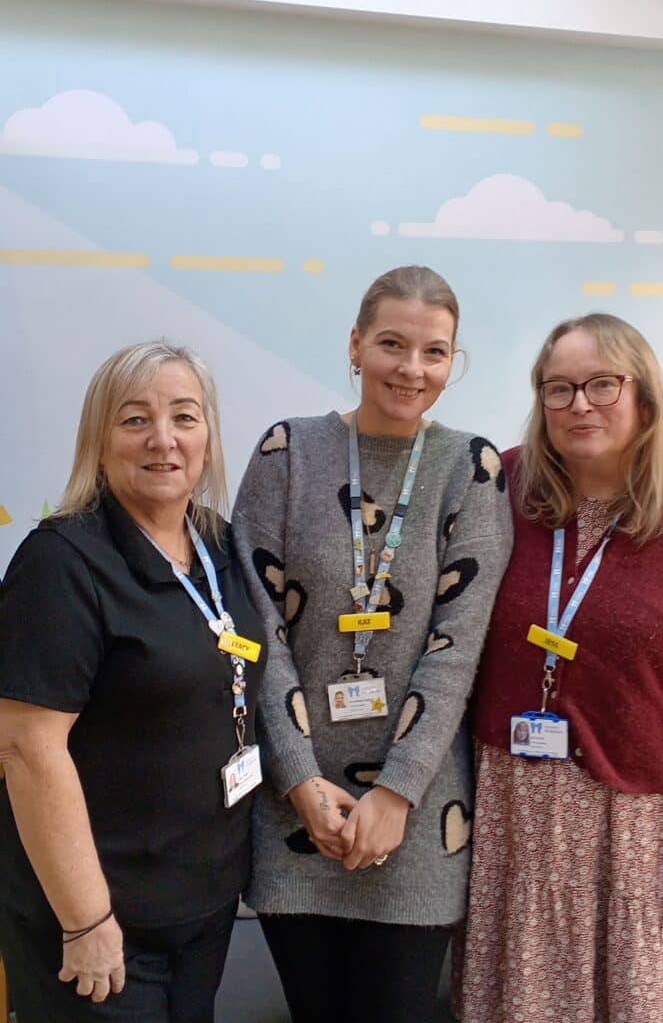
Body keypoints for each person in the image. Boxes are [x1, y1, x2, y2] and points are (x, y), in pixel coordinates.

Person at [457, 313, 663, 1023]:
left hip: (644, 821)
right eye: (558, 389)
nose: (580, 405)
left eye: (602, 384)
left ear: (644, 395)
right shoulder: (502, 487)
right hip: (517, 813)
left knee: (640, 1000)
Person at [232, 265, 513, 1023]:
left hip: (417, 816)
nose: (411, 369)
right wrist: (297, 781)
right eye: (392, 344)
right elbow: (256, 632)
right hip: (301, 813)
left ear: (453, 362)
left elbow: (457, 648)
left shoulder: (471, 468)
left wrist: (394, 792)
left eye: (434, 352)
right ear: (355, 345)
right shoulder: (287, 454)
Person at [0, 342, 266, 1022]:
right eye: (135, 419)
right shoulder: (60, 562)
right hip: (101, 920)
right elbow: (28, 750)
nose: (163, 440)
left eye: (184, 417)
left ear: (208, 435)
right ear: (100, 437)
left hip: (202, 909)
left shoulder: (217, 543)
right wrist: (87, 921)